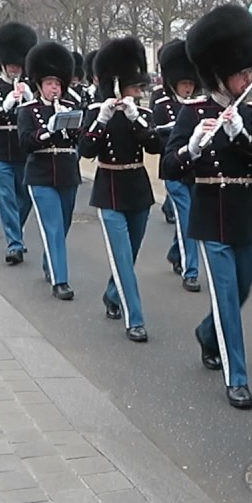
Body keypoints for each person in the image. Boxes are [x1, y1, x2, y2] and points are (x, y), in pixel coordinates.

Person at [162, 4, 252, 409]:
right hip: (210, 214)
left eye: (250, 71)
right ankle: (237, 378)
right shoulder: (192, 111)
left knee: (243, 287)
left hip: (244, 214)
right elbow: (168, 164)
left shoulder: (250, 113)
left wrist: (243, 137)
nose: (249, 78)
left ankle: (207, 333)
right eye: (241, 72)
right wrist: (192, 147)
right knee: (228, 297)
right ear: (219, 74)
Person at [79, 37, 162, 343]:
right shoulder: (95, 112)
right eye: (135, 87)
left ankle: (112, 294)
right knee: (123, 258)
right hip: (110, 190)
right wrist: (101, 119)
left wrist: (135, 116)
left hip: (137, 189)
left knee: (131, 255)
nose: (139, 92)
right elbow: (86, 150)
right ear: (118, 85)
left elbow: (156, 146)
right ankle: (135, 319)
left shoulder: (140, 115)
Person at [19, 42, 81, 301]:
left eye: (58, 83)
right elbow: (25, 142)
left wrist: (71, 123)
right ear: (39, 85)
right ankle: (60, 281)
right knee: (53, 227)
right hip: (41, 174)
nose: (54, 88)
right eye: (49, 83)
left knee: (63, 225)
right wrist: (47, 131)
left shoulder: (70, 106)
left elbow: (80, 139)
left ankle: (50, 262)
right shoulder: (28, 110)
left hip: (67, 172)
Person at [0, 23, 39, 264]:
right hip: (0, 149)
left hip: (23, 151)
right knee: (6, 198)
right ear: (2, 63)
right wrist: (3, 107)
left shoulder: (31, 88)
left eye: (17, 64)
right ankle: (14, 243)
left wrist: (30, 100)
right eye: (11, 64)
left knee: (25, 198)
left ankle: (17, 234)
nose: (14, 68)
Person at [153, 39, 202, 293]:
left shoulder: (198, 108)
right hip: (173, 171)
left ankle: (176, 252)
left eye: (191, 84)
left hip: (194, 171)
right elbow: (159, 139)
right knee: (187, 219)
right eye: (184, 83)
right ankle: (190, 269)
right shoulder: (163, 107)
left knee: (190, 218)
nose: (188, 88)